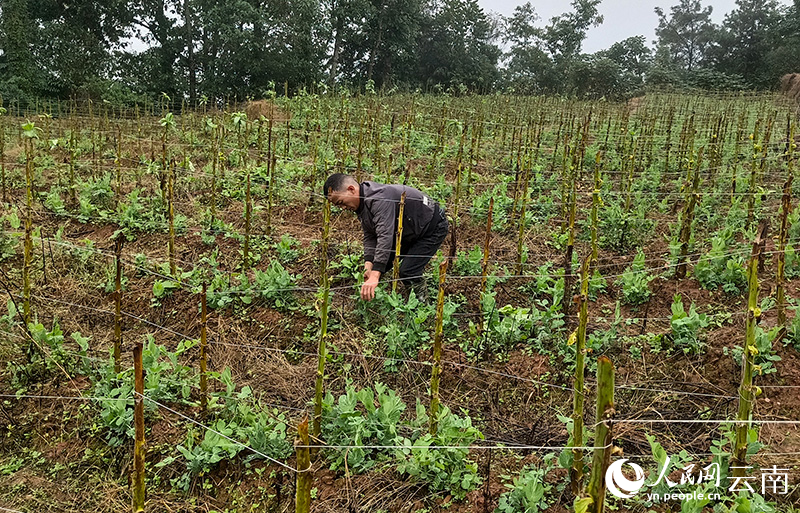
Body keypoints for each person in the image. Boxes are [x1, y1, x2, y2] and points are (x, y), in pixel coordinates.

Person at [323, 173, 449, 301]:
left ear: (351, 189)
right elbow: (370, 235)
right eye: (338, 206)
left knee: (408, 271)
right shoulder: (361, 202)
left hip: (431, 226)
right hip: (409, 228)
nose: (343, 208)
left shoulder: (379, 199)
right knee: (378, 265)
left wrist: (375, 275)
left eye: (341, 202)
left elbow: (385, 235)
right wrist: (368, 265)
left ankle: (421, 306)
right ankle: (377, 299)